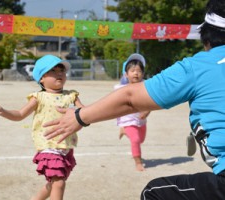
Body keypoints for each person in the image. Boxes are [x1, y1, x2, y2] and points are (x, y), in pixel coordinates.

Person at [43, 0, 225, 199]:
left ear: (207, 38)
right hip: (133, 123)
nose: (136, 72)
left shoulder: (197, 66)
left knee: (153, 192)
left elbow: (129, 98)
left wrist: (79, 117)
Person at [0, 55, 84, 200]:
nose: (59, 73)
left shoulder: (72, 95)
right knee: (59, 183)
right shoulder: (38, 97)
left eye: (62, 70)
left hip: (66, 146)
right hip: (48, 146)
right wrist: (3, 112)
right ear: (41, 78)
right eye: (53, 70)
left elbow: (87, 113)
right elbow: (20, 114)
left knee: (52, 184)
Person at [114, 53, 150, 171]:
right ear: (126, 74)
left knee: (141, 140)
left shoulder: (146, 86)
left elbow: (151, 102)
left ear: (143, 74)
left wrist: (147, 111)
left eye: (139, 71)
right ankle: (138, 162)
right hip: (128, 120)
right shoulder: (122, 89)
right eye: (133, 71)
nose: (136, 73)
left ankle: (124, 131)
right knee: (135, 140)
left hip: (141, 120)